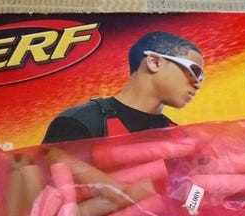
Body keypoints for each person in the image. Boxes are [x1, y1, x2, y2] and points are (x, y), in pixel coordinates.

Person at [42, 31, 204, 143]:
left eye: (202, 79)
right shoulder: (79, 121)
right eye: (195, 71)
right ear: (154, 62)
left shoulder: (180, 138)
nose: (198, 84)